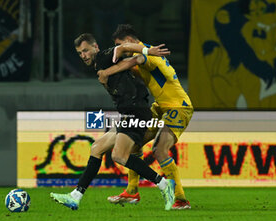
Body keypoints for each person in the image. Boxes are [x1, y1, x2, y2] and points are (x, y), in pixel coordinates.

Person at [50, 33, 176, 210]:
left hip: (136, 111)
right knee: (96, 148)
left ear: (96, 47)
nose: (83, 55)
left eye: (86, 50)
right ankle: (75, 196)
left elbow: (124, 48)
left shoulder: (103, 57)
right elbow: (131, 61)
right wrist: (138, 59)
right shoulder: (102, 65)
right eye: (80, 53)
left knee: (119, 155)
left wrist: (148, 50)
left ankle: (164, 184)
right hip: (129, 112)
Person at [97, 24, 193, 210]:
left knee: (159, 149)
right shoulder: (144, 53)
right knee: (133, 141)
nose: (121, 50)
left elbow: (135, 61)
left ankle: (181, 199)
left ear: (131, 41)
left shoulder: (144, 53)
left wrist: (107, 72)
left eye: (121, 44)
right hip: (160, 107)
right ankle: (132, 191)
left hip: (178, 106)